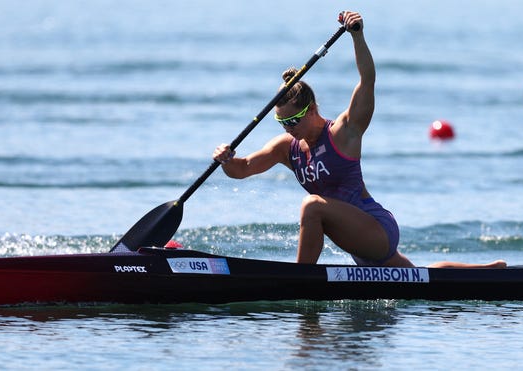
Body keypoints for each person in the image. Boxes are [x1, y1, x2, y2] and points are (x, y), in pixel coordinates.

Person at [213, 11, 506, 269]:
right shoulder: (286, 149)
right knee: (417, 278)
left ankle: (301, 278)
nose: (288, 128)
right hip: (355, 239)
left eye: (293, 120)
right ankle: (486, 272)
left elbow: (367, 82)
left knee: (311, 206)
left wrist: (357, 36)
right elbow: (242, 168)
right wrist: (226, 158)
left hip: (375, 229)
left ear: (312, 109)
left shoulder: (344, 132)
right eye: (282, 122)